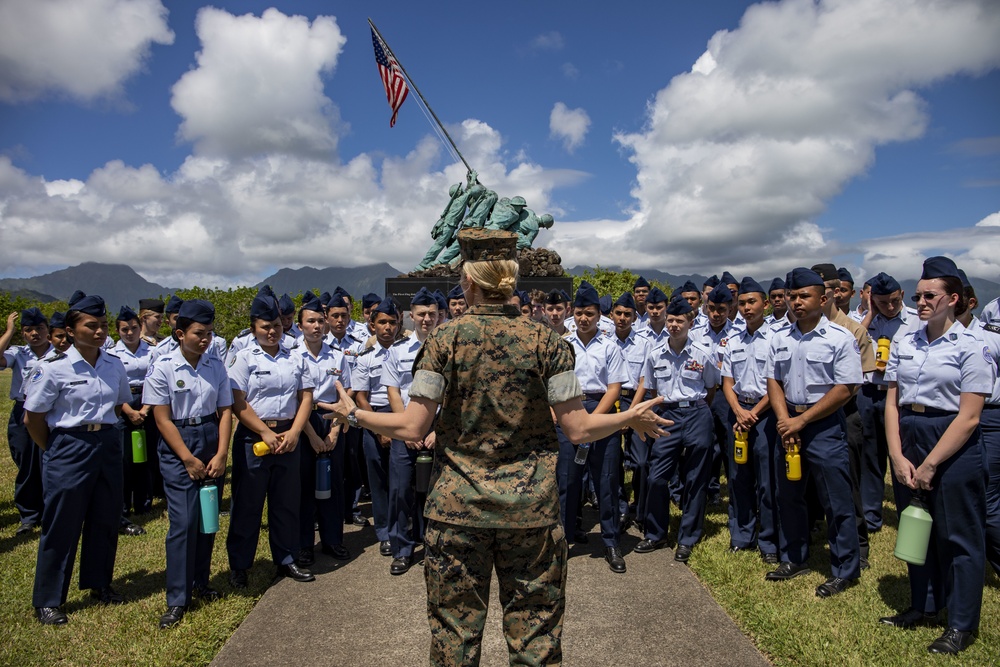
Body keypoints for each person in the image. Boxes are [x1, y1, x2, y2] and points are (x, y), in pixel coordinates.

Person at [324, 229, 668, 665]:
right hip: (530, 514)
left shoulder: (442, 343)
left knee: (455, 641)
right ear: (512, 279)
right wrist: (628, 417)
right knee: (535, 642)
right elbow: (578, 429)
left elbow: (413, 427)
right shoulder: (550, 345)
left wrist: (354, 415)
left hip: (456, 513)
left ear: (468, 281)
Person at [878, 256, 993, 654]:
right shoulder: (904, 340)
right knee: (917, 530)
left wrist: (930, 464)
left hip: (952, 440)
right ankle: (924, 605)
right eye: (918, 295)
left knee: (959, 536)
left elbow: (971, 415)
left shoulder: (973, 346)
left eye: (930, 295)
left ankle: (961, 623)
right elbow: (892, 401)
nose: (921, 301)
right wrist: (896, 454)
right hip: (909, 433)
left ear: (953, 298)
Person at [23, 292, 132, 625]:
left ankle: (100, 583)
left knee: (105, 516)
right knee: (62, 522)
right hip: (69, 444)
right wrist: (55, 450)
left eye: (102, 325)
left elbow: (118, 404)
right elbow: (34, 419)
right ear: (70, 330)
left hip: (108, 441)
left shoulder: (114, 363)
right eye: (90, 325)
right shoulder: (52, 367)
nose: (99, 331)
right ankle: (49, 598)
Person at [764, 268, 862, 597]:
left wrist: (801, 422)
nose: (796, 301)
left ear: (823, 299)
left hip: (823, 425)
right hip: (788, 421)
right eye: (792, 296)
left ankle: (845, 568)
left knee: (836, 498)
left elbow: (845, 388)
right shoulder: (779, 337)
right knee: (788, 495)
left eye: (803, 296)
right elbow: (774, 381)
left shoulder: (840, 338)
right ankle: (794, 557)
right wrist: (784, 420)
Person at [143, 299, 232, 629]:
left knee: (207, 518)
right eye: (198, 333)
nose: (205, 339)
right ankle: (178, 598)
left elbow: (225, 411)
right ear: (180, 333)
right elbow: (162, 419)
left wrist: (222, 453)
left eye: (209, 333)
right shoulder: (163, 366)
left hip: (210, 439)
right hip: (178, 443)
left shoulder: (216, 366)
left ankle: (201, 581)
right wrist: (187, 458)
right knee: (183, 523)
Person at [226, 292, 316, 588]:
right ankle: (240, 564)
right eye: (266, 326)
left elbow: (305, 397)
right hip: (255, 438)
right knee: (248, 504)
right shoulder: (244, 357)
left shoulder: (295, 355)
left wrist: (294, 432)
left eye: (277, 325)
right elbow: (238, 401)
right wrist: (264, 432)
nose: (272, 331)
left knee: (286, 502)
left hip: (289, 437)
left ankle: (286, 558)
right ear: (254, 327)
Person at [636, 295, 719, 563]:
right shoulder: (655, 354)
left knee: (695, 478)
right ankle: (656, 533)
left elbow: (710, 388)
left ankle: (687, 538)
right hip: (667, 415)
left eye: (679, 320)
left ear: (690, 322)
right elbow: (649, 387)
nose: (673, 325)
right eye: (670, 320)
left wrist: (695, 409)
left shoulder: (704, 352)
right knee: (657, 477)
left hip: (696, 413)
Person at [557, 281, 629, 573]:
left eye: (589, 313)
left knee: (607, 479)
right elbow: (555, 383)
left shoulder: (610, 347)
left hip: (601, 411)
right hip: (570, 410)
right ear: (572, 314)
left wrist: (592, 421)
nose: (583, 318)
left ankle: (611, 541)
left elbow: (614, 389)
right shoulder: (564, 345)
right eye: (579, 313)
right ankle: (563, 539)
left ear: (600, 315)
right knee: (567, 480)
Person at [380, 287, 438, 575]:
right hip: (406, 428)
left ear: (440, 315)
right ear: (410, 316)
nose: (426, 319)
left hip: (438, 429)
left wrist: (436, 430)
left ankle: (434, 547)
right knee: (401, 491)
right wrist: (407, 428)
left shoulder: (448, 348)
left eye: (432, 314)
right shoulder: (397, 351)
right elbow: (392, 390)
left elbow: (455, 392)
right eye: (421, 314)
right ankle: (402, 549)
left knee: (438, 492)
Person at [856, 272, 918, 533]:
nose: (890, 307)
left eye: (894, 301)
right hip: (870, 393)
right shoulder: (864, 322)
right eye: (882, 302)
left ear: (902, 295)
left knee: (902, 457)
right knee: (870, 455)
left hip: (900, 397)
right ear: (872, 300)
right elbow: (852, 342)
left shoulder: (917, 320)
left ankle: (908, 512)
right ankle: (871, 515)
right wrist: (870, 315)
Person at [721, 278, 778, 562]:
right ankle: (741, 534)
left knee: (768, 481)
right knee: (738, 477)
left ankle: (768, 541)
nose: (746, 308)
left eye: (751, 302)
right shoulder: (733, 340)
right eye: (741, 303)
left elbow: (779, 383)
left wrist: (754, 413)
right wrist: (739, 411)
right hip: (739, 414)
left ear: (765, 304)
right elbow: (727, 381)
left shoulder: (777, 338)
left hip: (766, 416)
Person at [293, 295, 352, 567]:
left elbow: (346, 393)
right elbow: (295, 400)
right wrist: (312, 435)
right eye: (310, 321)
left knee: (333, 482)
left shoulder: (337, 355)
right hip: (303, 423)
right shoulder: (292, 356)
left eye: (320, 321)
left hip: (332, 421)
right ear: (300, 325)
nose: (316, 326)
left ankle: (332, 540)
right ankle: (304, 544)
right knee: (304, 485)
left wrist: (335, 432)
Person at [351, 298, 403, 557]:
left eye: (392, 322)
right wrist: (379, 430)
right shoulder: (365, 358)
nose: (388, 327)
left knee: (401, 480)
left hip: (401, 416)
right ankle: (384, 532)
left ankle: (402, 529)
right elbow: (360, 396)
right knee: (379, 480)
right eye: (382, 322)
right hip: (374, 418)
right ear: (372, 325)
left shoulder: (406, 353)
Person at [1, 308, 55, 535]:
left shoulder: (58, 353)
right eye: (28, 330)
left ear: (48, 331)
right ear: (22, 334)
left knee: (49, 463)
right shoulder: (18, 353)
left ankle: (50, 511)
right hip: (22, 411)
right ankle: (29, 515)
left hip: (49, 413)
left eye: (40, 328)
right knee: (26, 465)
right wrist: (8, 331)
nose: (35, 333)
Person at [610, 293, 650, 532]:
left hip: (636, 402)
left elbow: (645, 380)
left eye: (628, 314)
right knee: (613, 460)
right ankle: (620, 507)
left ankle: (640, 509)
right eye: (619, 313)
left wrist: (633, 411)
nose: (622, 318)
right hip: (612, 403)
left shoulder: (644, 344)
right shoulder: (604, 341)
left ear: (635, 317)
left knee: (642, 461)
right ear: (612, 314)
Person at [112, 305, 154, 533]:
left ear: (140, 327)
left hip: (148, 402)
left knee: (146, 456)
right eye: (124, 329)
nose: (129, 333)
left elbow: (156, 379)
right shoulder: (112, 353)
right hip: (122, 404)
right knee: (123, 457)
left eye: (134, 328)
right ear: (118, 331)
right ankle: (123, 504)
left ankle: (144, 503)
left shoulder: (151, 351)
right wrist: (128, 411)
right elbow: (114, 386)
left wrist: (146, 408)